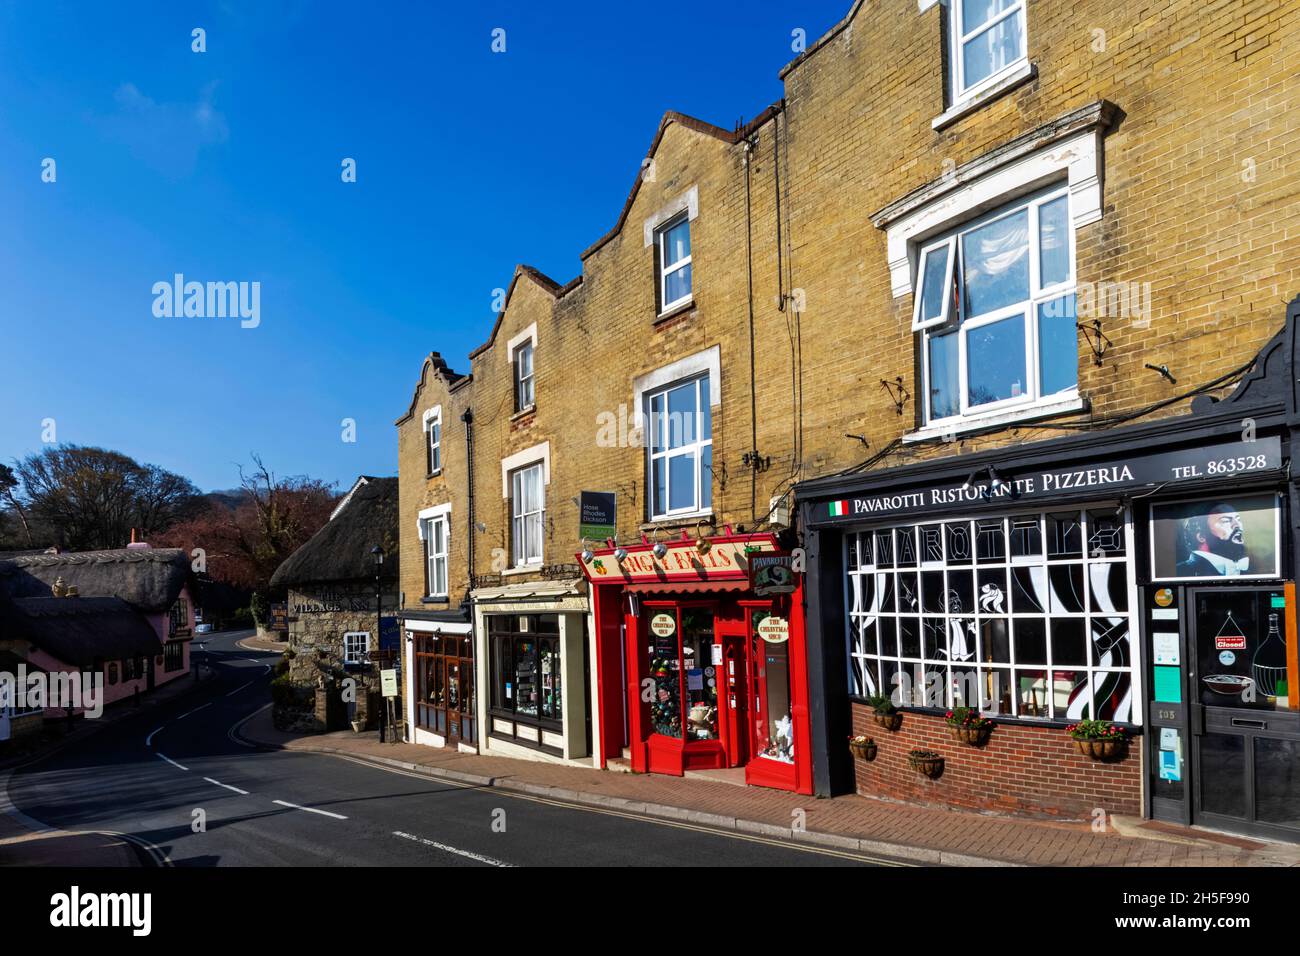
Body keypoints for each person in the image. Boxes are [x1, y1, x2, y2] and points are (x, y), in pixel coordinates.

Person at [1175, 503, 1249, 576]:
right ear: (1201, 537)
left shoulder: (1246, 569)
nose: (1237, 525)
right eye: (1226, 521)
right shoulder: (1181, 571)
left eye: (1238, 519)